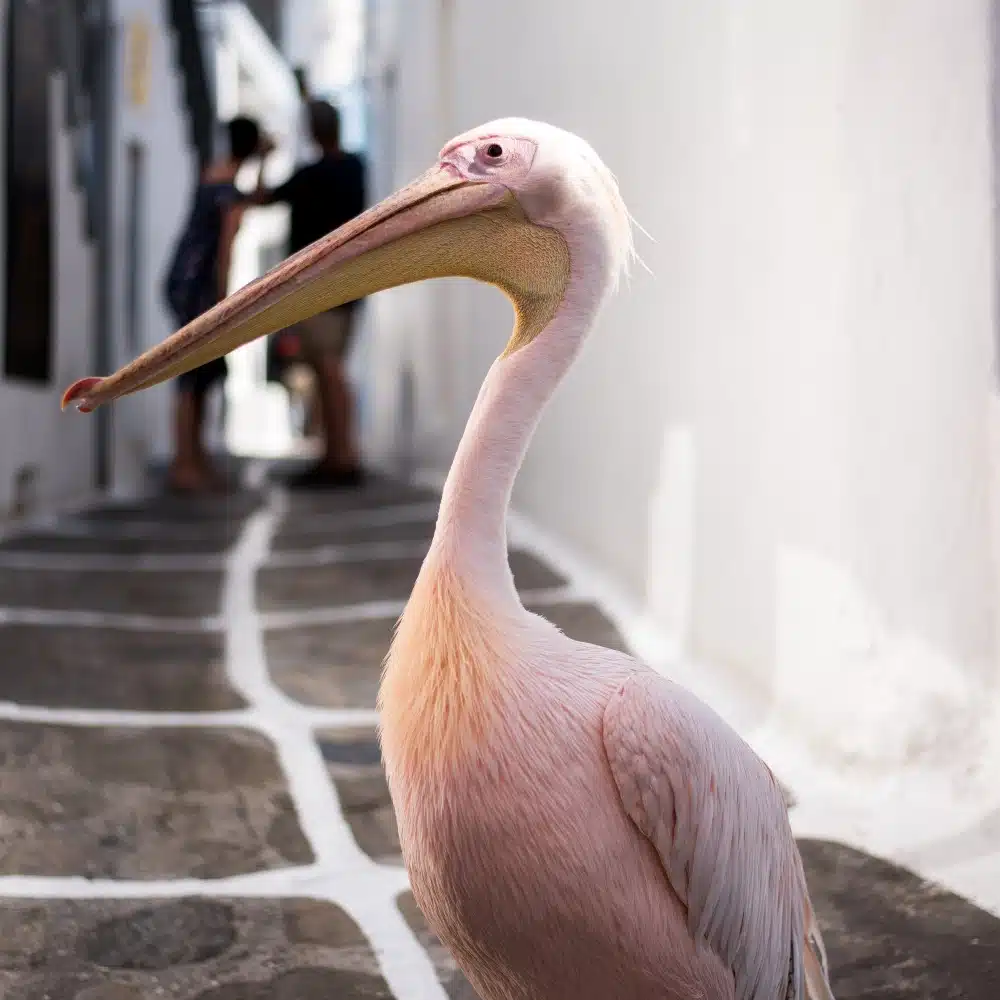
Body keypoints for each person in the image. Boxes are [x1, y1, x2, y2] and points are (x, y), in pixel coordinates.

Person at [250, 99, 367, 489]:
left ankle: (342, 458)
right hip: (351, 284)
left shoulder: (310, 176)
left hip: (320, 287)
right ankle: (335, 454)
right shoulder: (354, 168)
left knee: (328, 369)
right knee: (327, 370)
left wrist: (264, 158)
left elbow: (260, 199)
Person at [162, 116, 271, 493]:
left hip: (183, 279)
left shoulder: (216, 174)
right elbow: (227, 247)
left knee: (203, 371)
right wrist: (224, 301)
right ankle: (184, 464)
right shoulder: (227, 192)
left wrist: (259, 161)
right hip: (198, 286)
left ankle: (194, 459)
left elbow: (257, 198)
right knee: (191, 373)